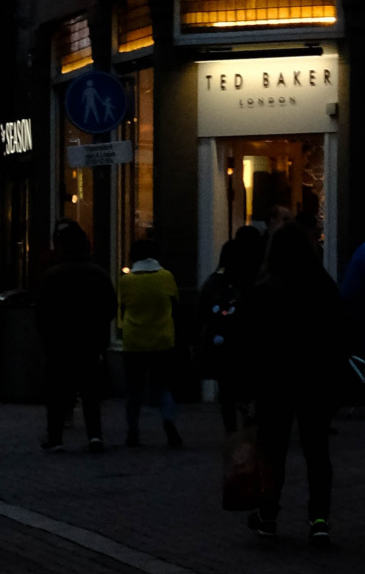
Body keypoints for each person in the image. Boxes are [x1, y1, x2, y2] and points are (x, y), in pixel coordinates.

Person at [238, 222, 346, 547]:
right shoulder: (323, 287)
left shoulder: (265, 290)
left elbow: (250, 342)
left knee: (272, 450)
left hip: (275, 381)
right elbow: (339, 336)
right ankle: (319, 520)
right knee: (317, 451)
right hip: (315, 380)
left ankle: (269, 515)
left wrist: (247, 388)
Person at [35, 221, 115, 453]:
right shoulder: (98, 273)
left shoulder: (53, 275)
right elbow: (110, 307)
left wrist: (47, 337)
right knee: (90, 392)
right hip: (89, 341)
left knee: (58, 392)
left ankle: (56, 438)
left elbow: (42, 311)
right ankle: (95, 435)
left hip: (59, 342)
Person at [197, 226, 264, 432]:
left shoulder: (220, 274)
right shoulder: (259, 272)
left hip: (223, 335)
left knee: (226, 387)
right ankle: (249, 415)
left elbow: (204, 304)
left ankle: (231, 428)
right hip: (251, 336)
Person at [117, 237, 181, 448]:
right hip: (162, 338)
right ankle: (169, 423)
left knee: (134, 389)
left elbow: (123, 308)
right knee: (163, 386)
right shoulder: (166, 277)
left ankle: (132, 431)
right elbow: (175, 304)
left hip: (134, 340)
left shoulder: (126, 280)